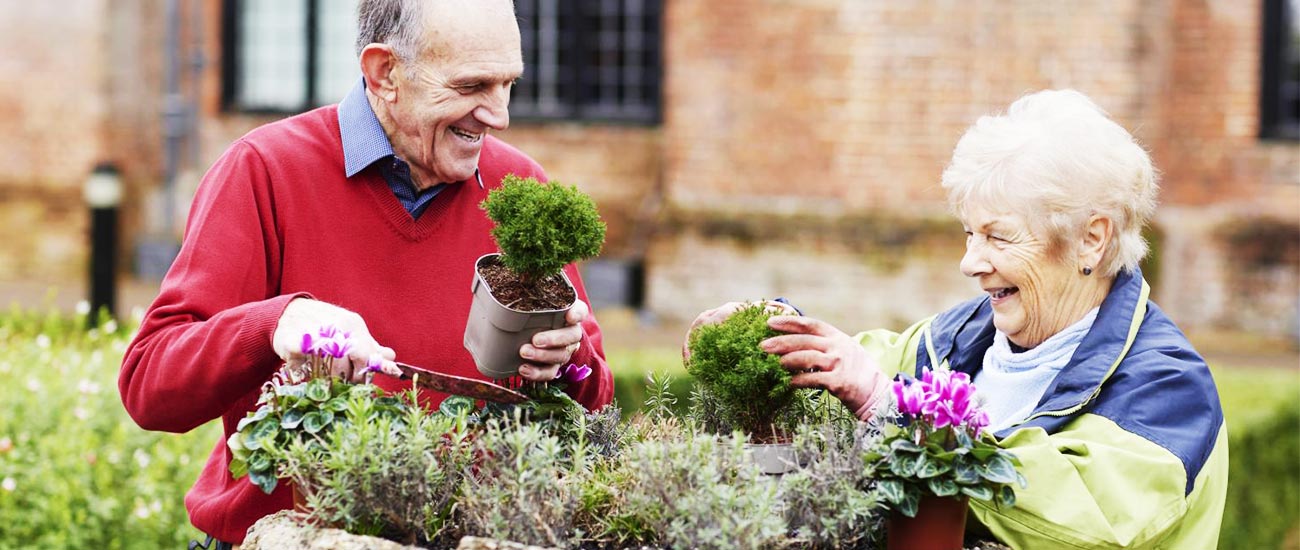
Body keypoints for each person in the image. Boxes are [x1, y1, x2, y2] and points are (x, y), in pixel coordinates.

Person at [118, 0, 613, 546]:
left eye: (508, 84)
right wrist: (275, 323)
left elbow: (595, 405)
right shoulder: (264, 170)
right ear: (385, 72)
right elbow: (150, 387)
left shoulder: (519, 186)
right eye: (472, 86)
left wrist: (568, 363)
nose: (499, 115)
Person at [688, 90, 1227, 548]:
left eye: (998, 236)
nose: (970, 262)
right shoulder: (966, 335)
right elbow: (863, 364)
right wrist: (775, 331)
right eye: (969, 234)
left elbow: (1085, 512)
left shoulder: (1170, 387)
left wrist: (894, 411)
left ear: (1092, 238)